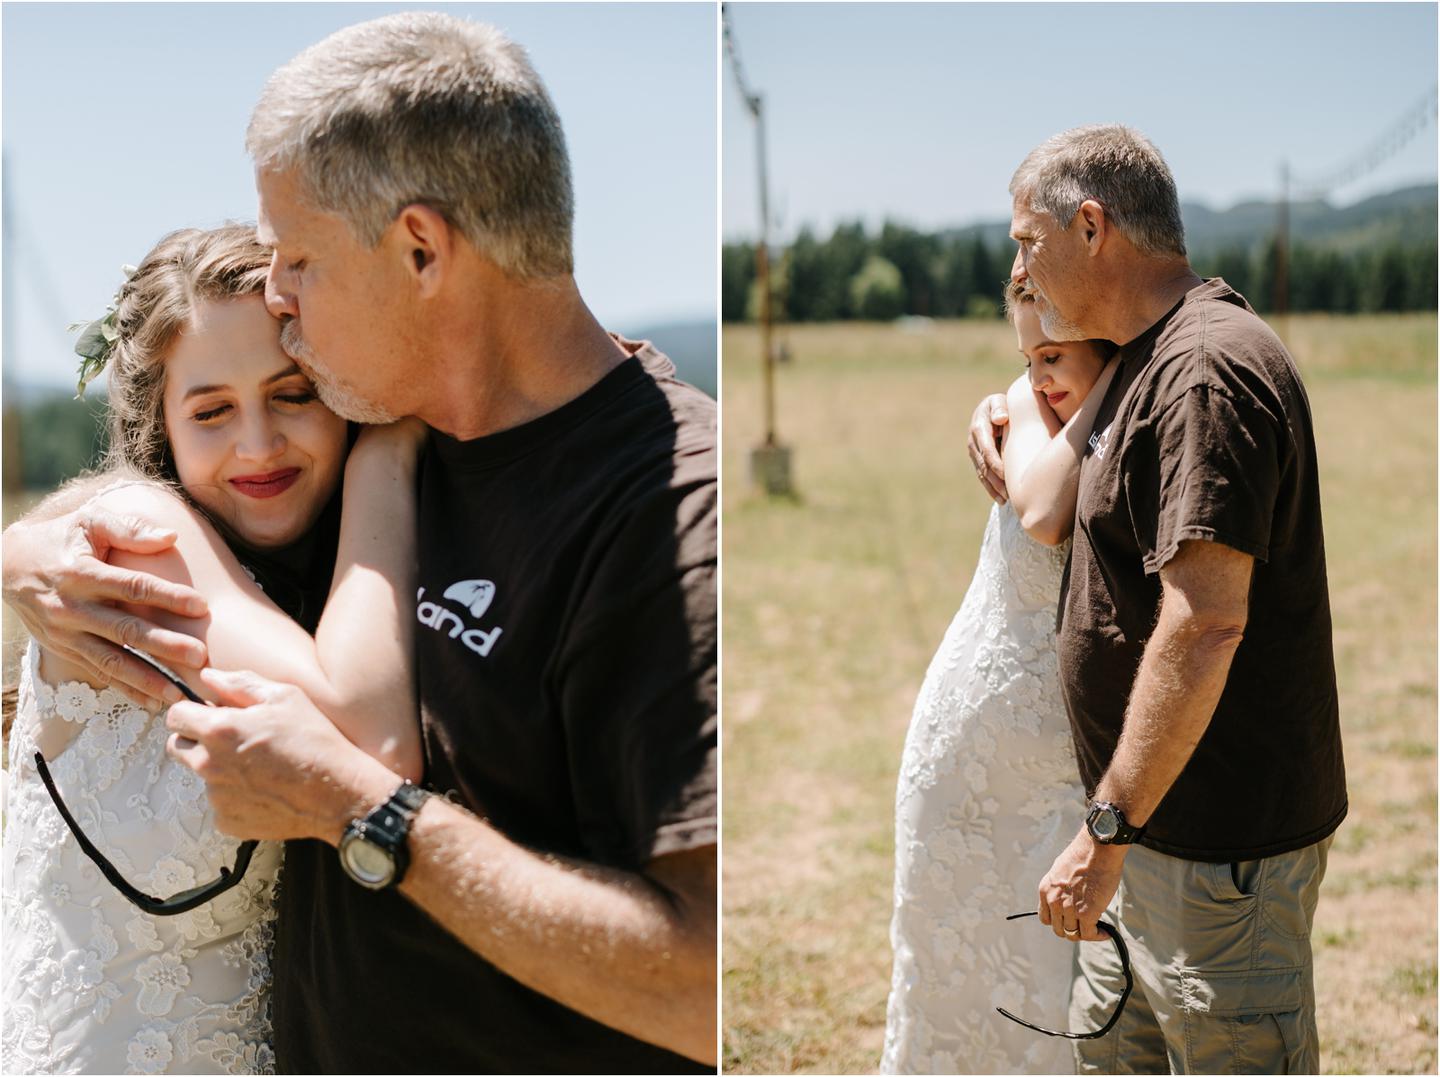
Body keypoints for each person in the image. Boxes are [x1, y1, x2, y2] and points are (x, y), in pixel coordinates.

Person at [2, 13, 718, 1073]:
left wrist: (362, 813)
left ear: (421, 248)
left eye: (298, 259)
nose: (278, 299)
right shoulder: (376, 447)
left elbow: (709, 992)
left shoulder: (673, 519)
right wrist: (25, 554)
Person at [1, 223, 425, 1074]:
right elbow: (376, 740)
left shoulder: (317, 582)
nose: (259, 443)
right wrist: (390, 448)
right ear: (160, 422)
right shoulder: (141, 533)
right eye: (213, 410)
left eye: (294, 393)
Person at [968, 124, 1346, 1073]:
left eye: (1027, 240)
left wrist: (1106, 830)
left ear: (1091, 227)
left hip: (1214, 853)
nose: (1018, 262)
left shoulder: (1205, 370)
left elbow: (1206, 621)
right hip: (1144, 842)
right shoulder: (1142, 352)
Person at [881, 282, 1116, 1075]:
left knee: (1056, 1005)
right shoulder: (1029, 403)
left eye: (1054, 353)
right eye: (1027, 356)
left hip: (1064, 772)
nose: (1038, 373)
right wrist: (1103, 384)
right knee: (964, 989)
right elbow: (1045, 512)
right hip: (974, 759)